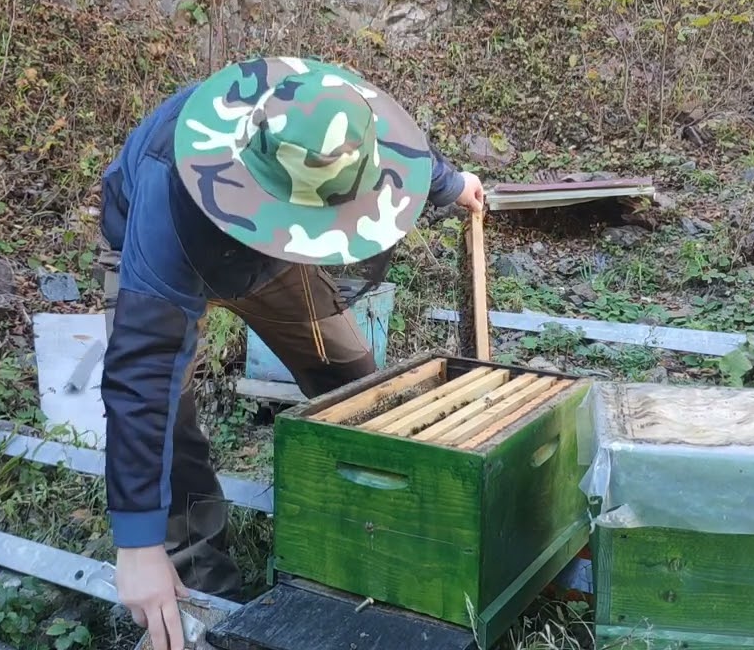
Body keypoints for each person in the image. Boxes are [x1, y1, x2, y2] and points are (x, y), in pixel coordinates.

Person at [95, 55, 485, 650]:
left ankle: (374, 532)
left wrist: (453, 184)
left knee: (356, 387)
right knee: (170, 423)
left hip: (277, 260)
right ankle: (201, 590)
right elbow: (142, 373)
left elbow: (400, 153)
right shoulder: (167, 196)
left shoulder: (332, 114)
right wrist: (137, 545)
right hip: (165, 244)